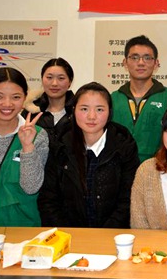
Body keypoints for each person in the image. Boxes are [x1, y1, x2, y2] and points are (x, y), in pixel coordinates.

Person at [38, 82, 140, 228]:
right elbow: (48, 199)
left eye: (99, 109)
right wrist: (67, 234)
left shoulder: (124, 145)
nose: (92, 116)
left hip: (113, 235)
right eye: (84, 109)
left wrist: (105, 234)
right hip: (68, 235)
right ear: (74, 110)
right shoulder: (60, 144)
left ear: (110, 112)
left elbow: (129, 199)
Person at [0, 67, 48, 227]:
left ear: (25, 98)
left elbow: (31, 188)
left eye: (16, 97)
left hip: (23, 230)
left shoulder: (38, 134)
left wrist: (27, 147)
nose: (7, 104)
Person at [111, 35, 167, 163]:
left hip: (157, 168)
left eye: (147, 58)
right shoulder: (113, 98)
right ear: (125, 62)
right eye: (134, 57)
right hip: (118, 168)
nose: (141, 63)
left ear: (156, 63)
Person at [23, 58, 75, 141]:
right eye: (49, 77)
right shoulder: (30, 110)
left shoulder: (78, 110)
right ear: (42, 79)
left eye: (61, 78)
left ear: (70, 81)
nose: (54, 83)